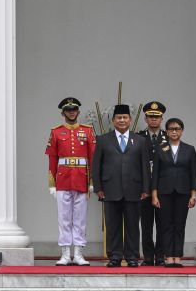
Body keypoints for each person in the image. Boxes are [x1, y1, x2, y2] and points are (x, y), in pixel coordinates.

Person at [91, 104, 150, 267]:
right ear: (113, 120)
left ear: (130, 120)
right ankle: (115, 256)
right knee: (112, 225)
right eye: (119, 118)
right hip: (110, 189)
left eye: (125, 117)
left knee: (132, 225)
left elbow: (144, 166)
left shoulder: (140, 140)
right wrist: (98, 188)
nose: (122, 120)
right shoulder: (103, 139)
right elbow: (96, 166)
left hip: (134, 189)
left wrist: (146, 188)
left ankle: (132, 256)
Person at [45, 97, 96, 266]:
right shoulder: (56, 132)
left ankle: (79, 254)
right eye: (68, 110)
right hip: (63, 180)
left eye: (74, 109)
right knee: (64, 219)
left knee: (80, 219)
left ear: (78, 112)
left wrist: (91, 181)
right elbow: (52, 159)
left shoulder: (88, 131)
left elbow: (92, 158)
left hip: (81, 179)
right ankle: (66, 254)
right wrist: (52, 184)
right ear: (63, 113)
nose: (72, 112)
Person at [151, 118, 196, 267]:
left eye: (177, 129)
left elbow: (193, 173)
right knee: (166, 225)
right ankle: (168, 257)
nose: (174, 131)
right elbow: (155, 173)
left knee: (179, 225)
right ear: (167, 131)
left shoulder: (189, 149)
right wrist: (154, 195)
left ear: (182, 131)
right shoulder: (160, 148)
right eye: (171, 129)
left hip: (183, 192)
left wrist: (193, 195)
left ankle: (177, 256)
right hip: (164, 192)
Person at [137, 101, 167, 265]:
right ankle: (148, 256)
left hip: (163, 188)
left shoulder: (168, 137)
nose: (153, 120)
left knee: (162, 223)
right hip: (144, 188)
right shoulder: (138, 137)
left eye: (156, 117)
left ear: (162, 118)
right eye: (150, 117)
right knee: (146, 224)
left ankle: (160, 255)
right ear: (145, 118)